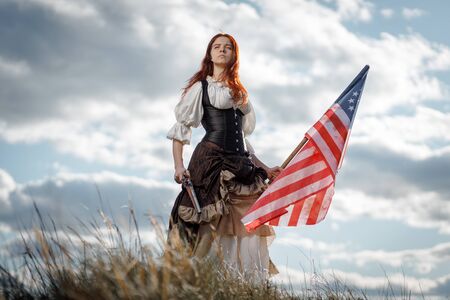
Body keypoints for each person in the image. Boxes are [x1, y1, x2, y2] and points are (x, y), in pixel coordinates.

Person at [166, 33, 282, 278]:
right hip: (211, 163)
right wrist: (178, 166)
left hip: (242, 166)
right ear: (210, 54)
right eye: (216, 47)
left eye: (227, 47)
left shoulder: (239, 92)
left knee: (247, 223)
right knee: (212, 224)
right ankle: (206, 279)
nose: (222, 50)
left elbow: (244, 141)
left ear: (233, 55)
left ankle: (243, 282)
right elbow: (180, 130)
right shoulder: (201, 88)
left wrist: (265, 168)